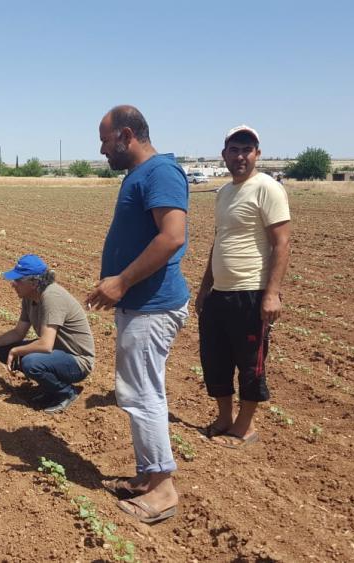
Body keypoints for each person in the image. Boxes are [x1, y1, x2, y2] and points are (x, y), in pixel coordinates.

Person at [86, 105, 189, 524]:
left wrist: (122, 281)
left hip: (152, 305)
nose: (102, 150)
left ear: (126, 135)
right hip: (141, 305)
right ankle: (149, 475)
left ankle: (163, 488)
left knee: (142, 394)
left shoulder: (161, 173)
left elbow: (173, 237)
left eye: (105, 141)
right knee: (139, 391)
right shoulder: (140, 174)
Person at [194, 125, 291, 449]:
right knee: (215, 361)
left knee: (250, 364)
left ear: (257, 154)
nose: (240, 156)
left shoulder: (267, 188)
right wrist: (205, 287)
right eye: (234, 150)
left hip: (251, 293)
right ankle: (224, 418)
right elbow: (219, 241)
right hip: (220, 294)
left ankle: (245, 428)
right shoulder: (223, 193)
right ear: (224, 154)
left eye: (247, 150)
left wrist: (271, 294)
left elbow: (282, 243)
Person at [0, 254, 95, 414]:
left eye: (18, 280)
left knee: (30, 362)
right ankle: (49, 388)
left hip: (76, 360)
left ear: (34, 282)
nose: (13, 284)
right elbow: (18, 332)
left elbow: (45, 345)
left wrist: (16, 351)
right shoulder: (29, 297)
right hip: (57, 352)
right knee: (4, 349)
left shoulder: (52, 297)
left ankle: (66, 392)